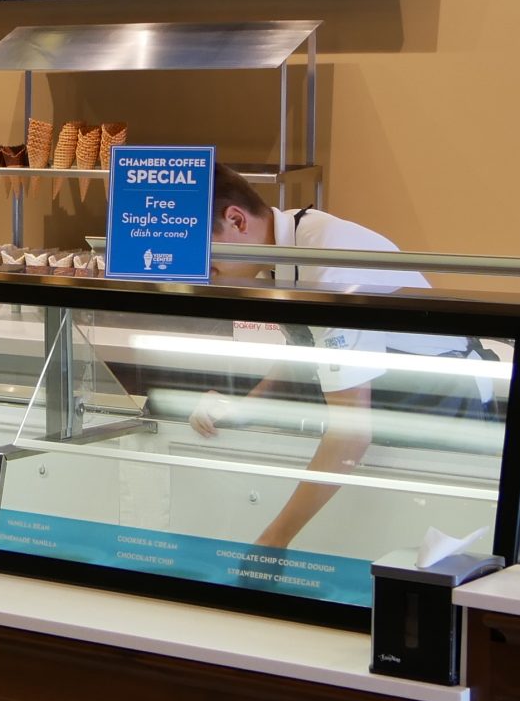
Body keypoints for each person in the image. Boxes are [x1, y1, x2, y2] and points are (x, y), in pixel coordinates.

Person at [188, 164, 487, 554]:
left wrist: (272, 542)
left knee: (423, 564)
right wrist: (246, 409)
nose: (207, 278)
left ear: (236, 220)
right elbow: (305, 347)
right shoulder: (279, 252)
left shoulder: (330, 264)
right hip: (391, 412)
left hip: (444, 419)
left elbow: (350, 435)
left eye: (209, 264)